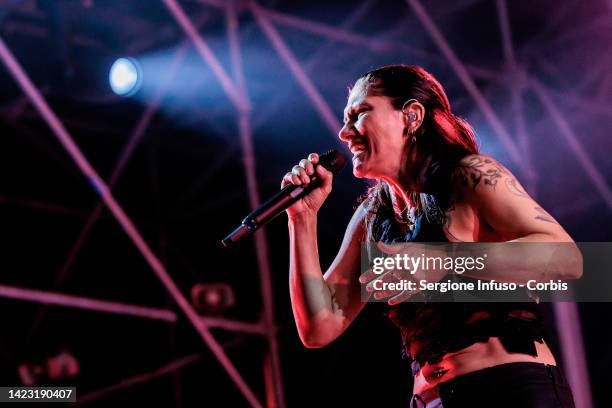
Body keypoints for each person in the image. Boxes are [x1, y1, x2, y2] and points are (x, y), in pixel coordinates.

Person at [282, 65, 580, 407]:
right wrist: (302, 220)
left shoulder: (468, 176)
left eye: (359, 113)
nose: (344, 133)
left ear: (411, 115)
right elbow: (320, 327)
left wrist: (441, 261)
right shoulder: (373, 214)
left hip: (508, 388)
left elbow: (567, 258)